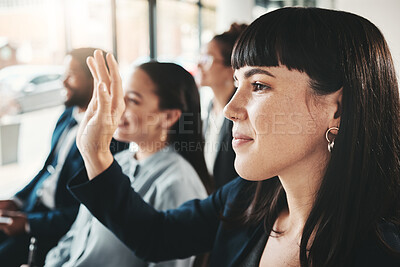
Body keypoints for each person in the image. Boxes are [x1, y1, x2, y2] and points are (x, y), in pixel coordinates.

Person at [69, 7, 400, 267]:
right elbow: (156, 236)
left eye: (258, 85)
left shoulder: (384, 249)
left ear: (337, 110)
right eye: (237, 82)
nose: (230, 108)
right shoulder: (248, 198)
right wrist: (95, 151)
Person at [44, 61, 211, 267]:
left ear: (168, 117)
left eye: (132, 100)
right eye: (119, 96)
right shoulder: (116, 163)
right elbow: (77, 235)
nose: (118, 106)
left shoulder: (177, 184)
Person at [0, 48, 127, 267]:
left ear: (95, 81)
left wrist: (30, 224)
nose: (63, 82)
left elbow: (89, 212)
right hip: (32, 210)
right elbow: (47, 168)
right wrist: (16, 200)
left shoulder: (111, 138)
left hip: (53, 230)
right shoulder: (66, 117)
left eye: (71, 75)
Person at [198, 23, 247, 189]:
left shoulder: (241, 113)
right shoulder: (210, 106)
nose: (199, 65)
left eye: (207, 59)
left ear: (230, 69)